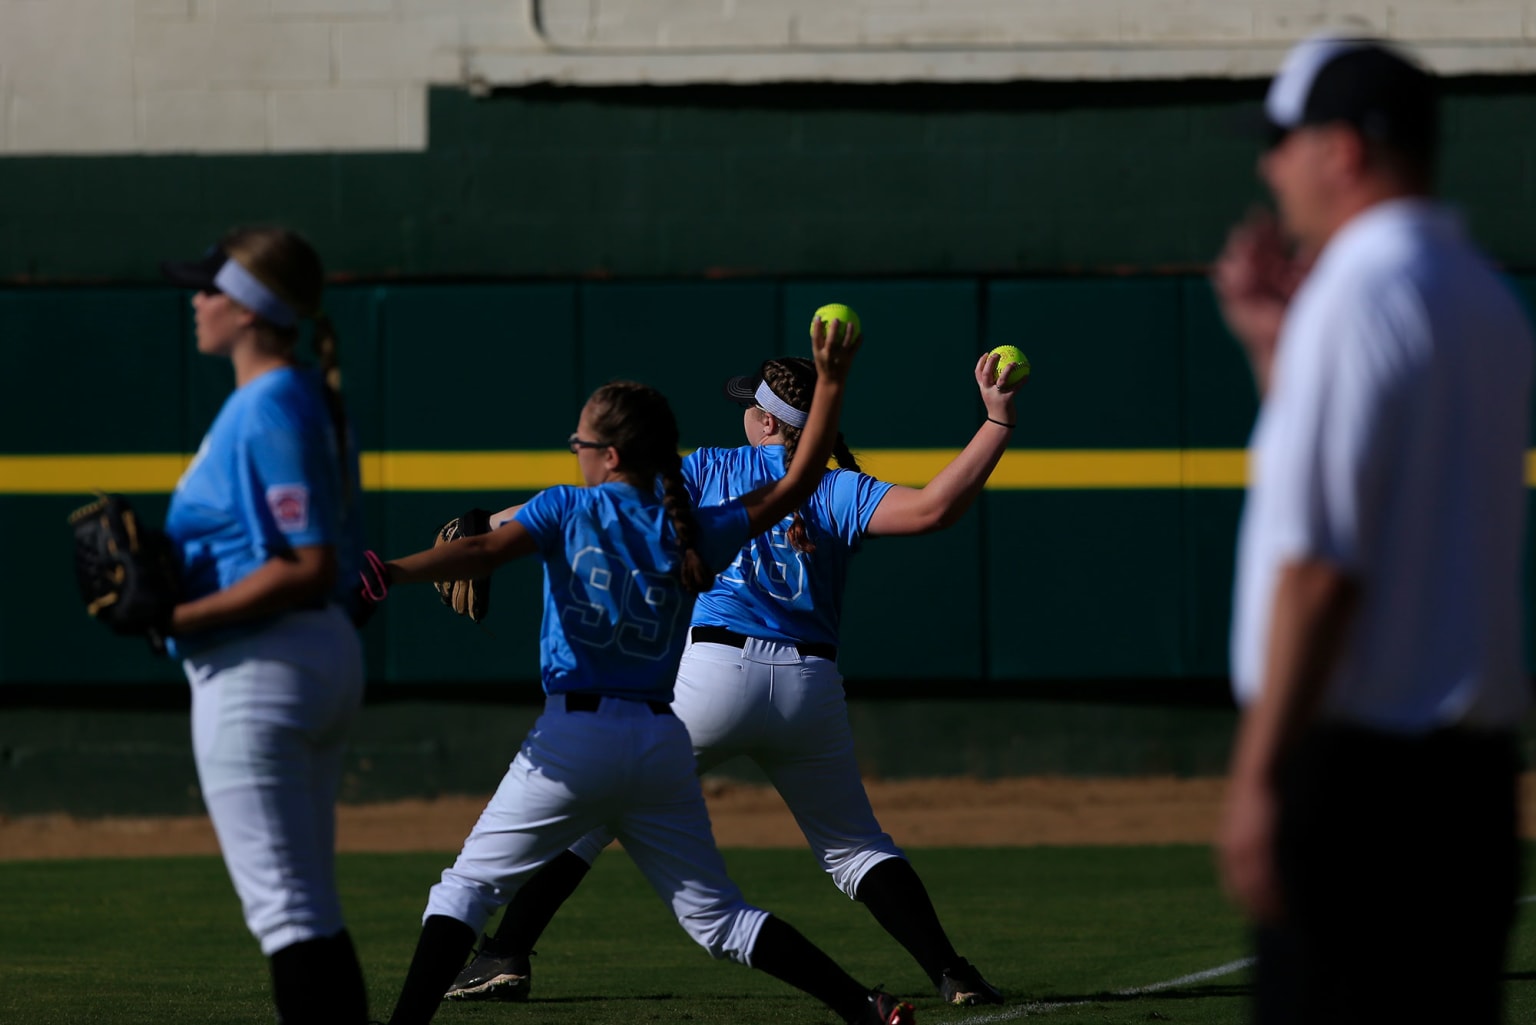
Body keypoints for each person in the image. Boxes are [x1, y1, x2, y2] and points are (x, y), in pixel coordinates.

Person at [369, 319, 919, 1025]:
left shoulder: (566, 507)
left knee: (466, 886)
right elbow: (801, 479)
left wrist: (388, 571)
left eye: (582, 441)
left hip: (575, 737)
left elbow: (478, 553)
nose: (576, 449)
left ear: (610, 455)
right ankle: (862, 1005)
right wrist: (833, 383)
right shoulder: (690, 524)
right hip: (660, 743)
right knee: (721, 920)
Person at [447, 350, 1022, 1007]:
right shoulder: (833, 485)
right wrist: (996, 420)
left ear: (770, 424)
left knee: (595, 809)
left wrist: (486, 527)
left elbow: (600, 507)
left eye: (753, 404)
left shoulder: (710, 468)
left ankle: (503, 953)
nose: (745, 411)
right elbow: (934, 509)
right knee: (855, 848)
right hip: (809, 685)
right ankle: (953, 972)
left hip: (712, 676)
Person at [1212, 34, 1532, 1025]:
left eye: (1286, 139)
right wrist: (1277, 353)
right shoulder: (1483, 293)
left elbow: (1321, 570)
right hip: (1471, 792)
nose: (1272, 165)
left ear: (1342, 151)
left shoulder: (1353, 294)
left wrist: (1258, 774)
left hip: (1357, 789)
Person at [158, 228, 372, 1025]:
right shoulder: (288, 396)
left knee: (288, 916)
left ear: (249, 309)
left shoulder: (273, 400)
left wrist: (171, 614)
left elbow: (305, 561)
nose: (197, 301)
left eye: (210, 288)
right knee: (307, 906)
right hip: (302, 657)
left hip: (262, 666)